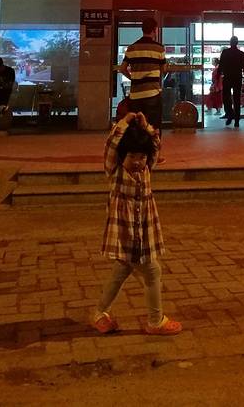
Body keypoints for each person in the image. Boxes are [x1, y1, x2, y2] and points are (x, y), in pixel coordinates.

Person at [91, 111, 182, 337]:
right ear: (122, 156)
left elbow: (155, 147)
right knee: (152, 272)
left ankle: (100, 314)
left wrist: (147, 126)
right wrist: (123, 123)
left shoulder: (147, 170)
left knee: (121, 272)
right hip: (126, 235)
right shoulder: (115, 171)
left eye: (141, 157)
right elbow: (111, 145)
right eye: (132, 156)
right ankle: (155, 321)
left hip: (142, 233)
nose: (138, 162)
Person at [119, 17, 167, 155]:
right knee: (154, 125)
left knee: (137, 126)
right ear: (154, 30)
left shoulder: (132, 48)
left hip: (136, 95)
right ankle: (155, 155)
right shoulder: (159, 48)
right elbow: (164, 68)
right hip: (153, 93)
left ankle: (137, 155)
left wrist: (133, 78)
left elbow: (122, 68)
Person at [219, 37, 244, 128]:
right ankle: (237, 120)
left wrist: (218, 75)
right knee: (237, 99)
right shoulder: (241, 54)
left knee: (226, 97)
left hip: (227, 77)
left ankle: (229, 114)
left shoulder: (225, 52)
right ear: (237, 43)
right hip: (237, 77)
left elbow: (221, 65)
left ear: (230, 42)